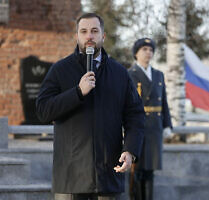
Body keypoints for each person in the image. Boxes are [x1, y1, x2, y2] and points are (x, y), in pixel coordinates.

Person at [36, 13, 145, 200]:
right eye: (84, 31)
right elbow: (43, 110)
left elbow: (135, 116)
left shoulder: (120, 73)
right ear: (77, 36)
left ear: (103, 36)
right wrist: (77, 92)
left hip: (108, 176)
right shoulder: (60, 70)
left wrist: (130, 150)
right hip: (70, 178)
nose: (89, 36)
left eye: (94, 31)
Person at [128, 38, 173, 200]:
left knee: (150, 170)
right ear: (136, 53)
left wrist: (167, 124)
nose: (148, 53)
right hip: (138, 127)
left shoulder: (158, 74)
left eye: (151, 50)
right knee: (137, 170)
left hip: (155, 127)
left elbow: (164, 102)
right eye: (144, 49)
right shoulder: (130, 74)